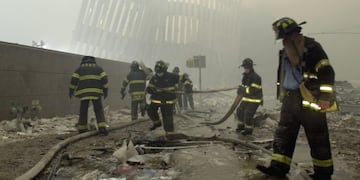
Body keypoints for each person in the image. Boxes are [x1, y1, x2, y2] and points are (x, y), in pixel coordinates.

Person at [256, 17, 337, 180]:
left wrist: (325, 97)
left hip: (311, 100)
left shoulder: (313, 48)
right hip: (290, 100)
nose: (282, 40)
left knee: (318, 139)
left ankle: (323, 174)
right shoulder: (285, 50)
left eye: (283, 36)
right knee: (283, 135)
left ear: (290, 33)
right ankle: (278, 167)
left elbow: (327, 72)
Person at [69, 56, 109, 135]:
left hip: (84, 93)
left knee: (83, 110)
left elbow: (73, 81)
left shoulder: (79, 69)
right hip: (96, 93)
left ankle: (82, 129)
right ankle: (102, 128)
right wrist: (105, 91)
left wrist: (71, 91)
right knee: (98, 110)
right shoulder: (99, 69)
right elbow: (105, 80)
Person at [146, 60, 179, 138]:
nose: (159, 74)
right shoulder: (154, 78)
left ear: (164, 70)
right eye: (158, 72)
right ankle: (157, 122)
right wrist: (150, 89)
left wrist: (187, 86)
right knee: (150, 110)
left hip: (168, 100)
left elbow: (182, 77)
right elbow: (150, 87)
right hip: (156, 99)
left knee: (167, 116)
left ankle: (170, 133)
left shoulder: (171, 76)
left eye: (160, 72)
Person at [235, 58, 263, 135]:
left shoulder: (256, 77)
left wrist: (244, 90)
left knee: (248, 114)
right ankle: (241, 127)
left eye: (247, 67)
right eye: (244, 67)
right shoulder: (245, 76)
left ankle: (248, 131)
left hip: (255, 100)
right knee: (239, 111)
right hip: (247, 99)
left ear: (250, 67)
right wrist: (240, 89)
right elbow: (244, 86)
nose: (245, 69)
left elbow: (254, 90)